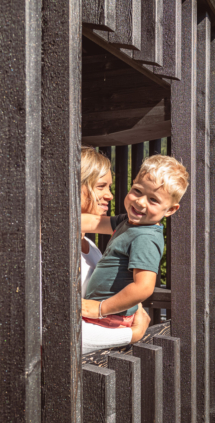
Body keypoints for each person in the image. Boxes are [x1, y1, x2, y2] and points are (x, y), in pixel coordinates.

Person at [80, 155, 189, 326]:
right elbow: (93, 222)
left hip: (109, 316)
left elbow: (143, 287)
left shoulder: (145, 237)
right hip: (104, 313)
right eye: (137, 191)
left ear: (170, 210)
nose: (140, 202)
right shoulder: (128, 222)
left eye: (153, 200)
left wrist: (101, 308)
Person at [80, 146, 151, 354]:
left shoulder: (90, 247)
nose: (109, 196)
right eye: (101, 186)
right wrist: (132, 334)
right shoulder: (47, 252)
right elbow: (55, 332)